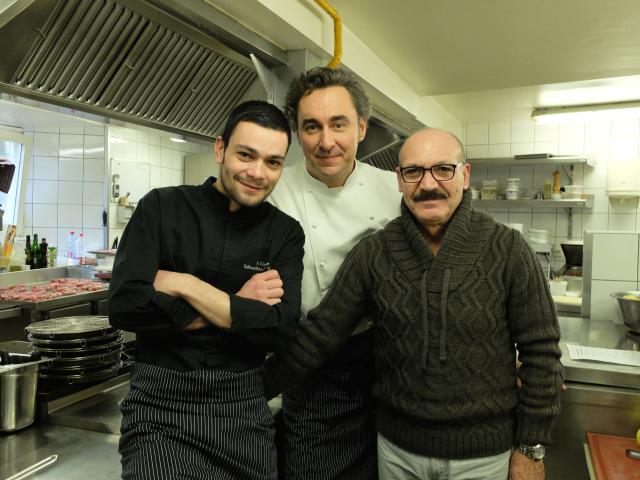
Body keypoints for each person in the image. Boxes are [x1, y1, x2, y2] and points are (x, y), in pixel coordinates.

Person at [265, 127, 564, 480]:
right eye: (414, 172)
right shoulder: (375, 253)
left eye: (443, 169)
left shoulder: (509, 249)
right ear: (400, 180)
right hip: (397, 453)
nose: (428, 184)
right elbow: (319, 335)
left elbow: (541, 354)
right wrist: (244, 390)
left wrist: (531, 447)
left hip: (484, 456)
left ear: (465, 175)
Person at [108, 100, 305, 480]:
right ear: (220, 149)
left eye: (273, 162)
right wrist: (239, 307)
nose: (257, 172)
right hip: (160, 409)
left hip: (244, 410)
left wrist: (184, 283)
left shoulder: (284, 233)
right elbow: (126, 306)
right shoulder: (161, 208)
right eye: (246, 155)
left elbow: (280, 331)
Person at [267, 67, 401, 479]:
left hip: (389, 365)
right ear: (296, 132)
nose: (327, 142)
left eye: (338, 124)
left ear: (361, 127)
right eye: (312, 127)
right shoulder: (272, 189)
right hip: (309, 366)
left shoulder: (397, 190)